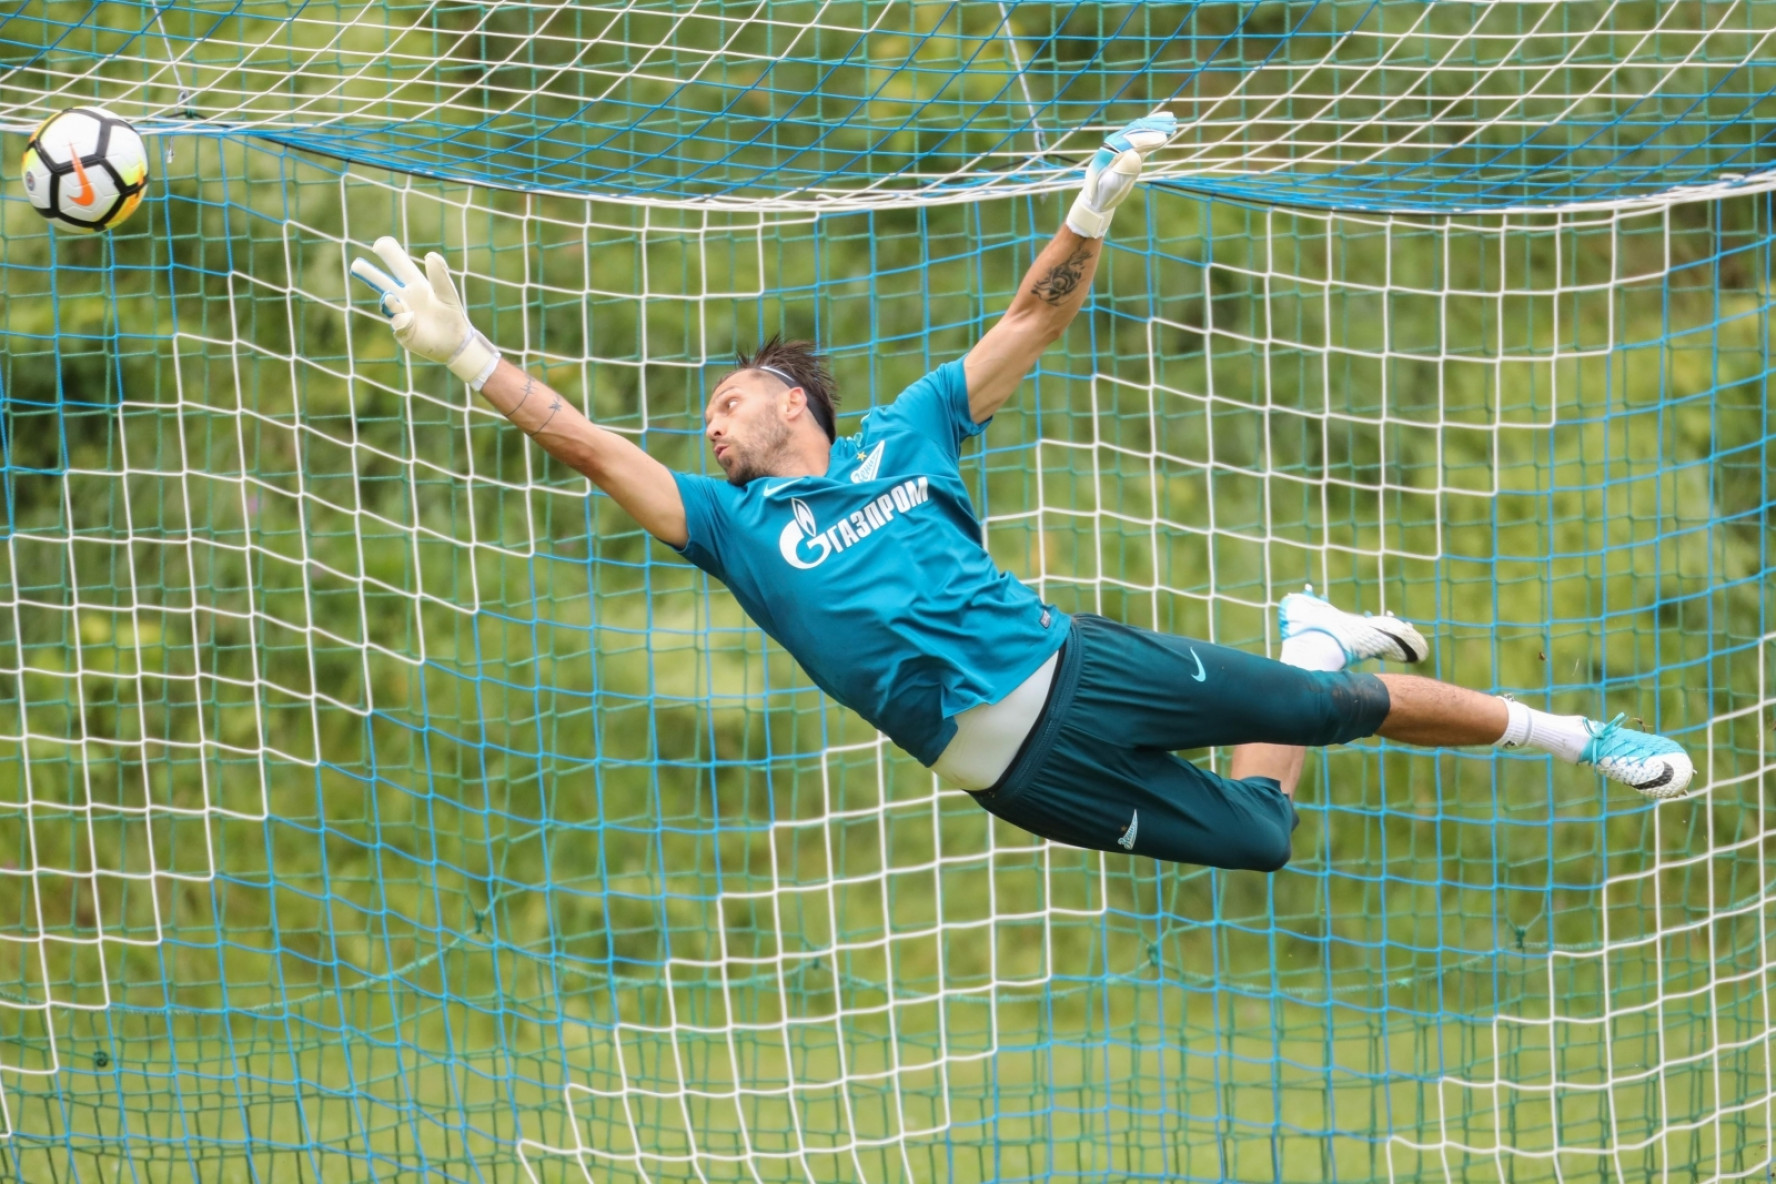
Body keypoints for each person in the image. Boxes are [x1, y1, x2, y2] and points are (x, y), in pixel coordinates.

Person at [349, 112, 1696, 872]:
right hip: (1006, 775)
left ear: (791, 398)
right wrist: (469, 358)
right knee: (1263, 840)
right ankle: (1313, 624)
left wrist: (1093, 207)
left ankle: (1580, 736)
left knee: (1333, 714)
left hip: (1080, 671)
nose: (713, 421)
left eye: (730, 398)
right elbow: (593, 447)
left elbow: (1030, 320)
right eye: (709, 417)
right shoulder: (734, 532)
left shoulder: (908, 432)